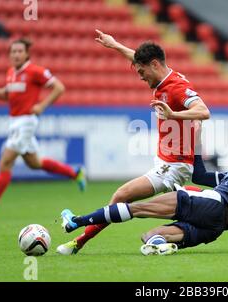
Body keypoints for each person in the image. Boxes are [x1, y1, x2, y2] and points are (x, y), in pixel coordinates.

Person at [55, 30, 211, 255]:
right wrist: (115, 45)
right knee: (123, 199)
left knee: (121, 196)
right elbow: (137, 58)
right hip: (168, 161)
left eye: (141, 71)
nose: (140, 76)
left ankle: (76, 238)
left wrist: (173, 115)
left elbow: (203, 111)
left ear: (155, 65)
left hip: (173, 166)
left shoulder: (175, 87)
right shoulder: (164, 77)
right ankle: (77, 238)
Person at [59, 130, 228, 255]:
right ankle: (165, 246)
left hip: (215, 203)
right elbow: (201, 176)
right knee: (149, 236)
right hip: (216, 225)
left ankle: (76, 222)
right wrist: (198, 143)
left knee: (137, 208)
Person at [0, 38, 86, 218]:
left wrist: (42, 106)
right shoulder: (11, 73)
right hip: (14, 122)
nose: (15, 54)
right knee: (34, 163)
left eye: (19, 51)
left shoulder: (35, 71)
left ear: (26, 53)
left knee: (5, 162)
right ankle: (75, 173)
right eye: (13, 51)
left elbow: (59, 87)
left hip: (26, 122)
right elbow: (8, 95)